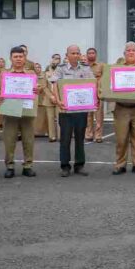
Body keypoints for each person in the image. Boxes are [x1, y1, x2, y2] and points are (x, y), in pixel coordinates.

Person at [50, 45, 95, 177]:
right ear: (67, 55)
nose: (76, 55)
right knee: (65, 139)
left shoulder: (86, 68)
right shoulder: (60, 69)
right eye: (73, 53)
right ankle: (65, 166)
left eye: (78, 53)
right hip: (65, 111)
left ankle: (79, 165)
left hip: (81, 110)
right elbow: (54, 85)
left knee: (80, 138)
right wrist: (58, 101)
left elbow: (92, 85)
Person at [107, 42, 135, 175]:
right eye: (128, 50)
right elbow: (109, 87)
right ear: (124, 53)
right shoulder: (116, 70)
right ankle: (120, 164)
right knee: (121, 138)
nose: (131, 52)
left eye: (133, 51)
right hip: (121, 107)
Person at [0, 47, 40, 178]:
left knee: (28, 140)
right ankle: (9, 166)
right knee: (9, 140)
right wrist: (0, 95)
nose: (18, 59)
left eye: (21, 57)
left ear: (24, 58)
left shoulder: (32, 74)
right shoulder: (4, 74)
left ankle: (28, 166)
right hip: (10, 108)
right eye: (15, 57)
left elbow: (37, 89)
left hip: (27, 108)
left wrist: (38, 90)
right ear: (11, 58)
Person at [85, 48, 105, 143]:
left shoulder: (101, 66)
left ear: (96, 55)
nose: (91, 55)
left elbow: (105, 77)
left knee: (99, 116)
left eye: (93, 53)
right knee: (88, 115)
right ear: (86, 55)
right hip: (86, 93)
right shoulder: (83, 66)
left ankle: (98, 136)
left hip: (97, 93)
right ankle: (88, 134)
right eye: (89, 53)